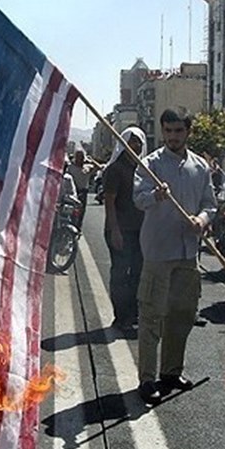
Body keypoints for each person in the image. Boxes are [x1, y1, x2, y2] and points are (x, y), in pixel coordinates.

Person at [133, 109, 217, 405]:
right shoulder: (150, 164)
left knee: (181, 315)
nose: (172, 137)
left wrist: (202, 220)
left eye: (178, 131)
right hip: (158, 251)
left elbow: (210, 204)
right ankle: (147, 380)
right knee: (151, 316)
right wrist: (155, 195)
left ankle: (171, 372)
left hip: (187, 252)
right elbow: (138, 198)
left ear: (187, 132)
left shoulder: (200, 167)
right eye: (168, 131)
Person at [102, 126, 146, 332]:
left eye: (139, 142)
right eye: (132, 141)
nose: (135, 145)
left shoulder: (143, 170)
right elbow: (109, 202)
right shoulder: (115, 170)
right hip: (121, 230)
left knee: (138, 273)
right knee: (121, 274)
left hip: (140, 231)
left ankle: (133, 314)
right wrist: (115, 231)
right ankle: (121, 317)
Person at [66, 149, 99, 225]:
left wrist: (91, 160)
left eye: (81, 157)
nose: (79, 159)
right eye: (78, 156)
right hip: (72, 191)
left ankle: (79, 225)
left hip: (83, 192)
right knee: (71, 210)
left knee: (81, 210)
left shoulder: (87, 167)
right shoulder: (70, 167)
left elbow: (99, 167)